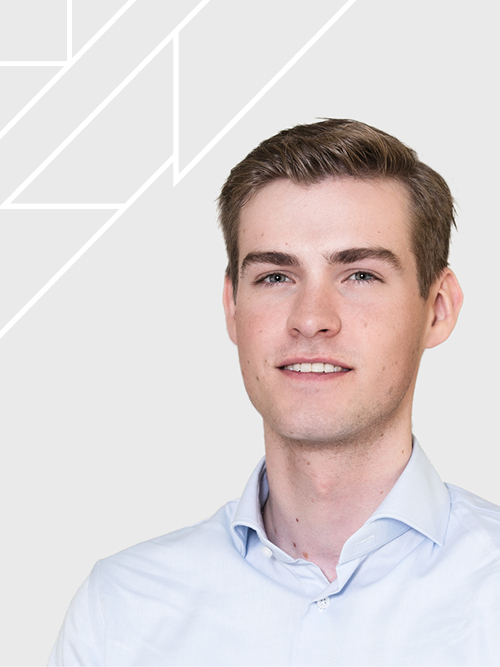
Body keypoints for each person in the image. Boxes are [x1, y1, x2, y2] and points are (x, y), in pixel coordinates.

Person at [48, 119, 500, 666]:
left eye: (360, 275)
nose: (311, 319)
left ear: (438, 308)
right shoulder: (121, 614)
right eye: (275, 277)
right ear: (232, 307)